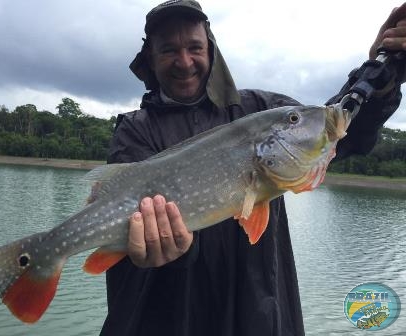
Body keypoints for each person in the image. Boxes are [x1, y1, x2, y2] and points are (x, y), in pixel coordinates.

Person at [100, 1, 406, 335]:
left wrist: (380, 74)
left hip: (259, 312)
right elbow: (120, 222)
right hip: (172, 319)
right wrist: (165, 247)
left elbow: (336, 129)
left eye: (194, 47)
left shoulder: (262, 109)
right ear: (150, 58)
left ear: (211, 50)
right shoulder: (135, 129)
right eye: (169, 50)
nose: (184, 61)